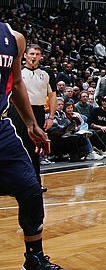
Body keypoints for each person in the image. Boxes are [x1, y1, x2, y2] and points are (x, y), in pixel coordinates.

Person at [0, 22, 74, 270]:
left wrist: (32, 123)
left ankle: (34, 260)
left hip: (2, 128)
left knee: (31, 188)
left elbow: (17, 83)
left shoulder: (14, 38)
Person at [12, 44, 57, 186]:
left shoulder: (47, 74)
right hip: (19, 110)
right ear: (25, 55)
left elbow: (53, 96)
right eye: (31, 54)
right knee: (19, 145)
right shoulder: (17, 71)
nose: (34, 57)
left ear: (41, 57)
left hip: (38, 111)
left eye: (37, 54)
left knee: (36, 147)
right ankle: (18, 182)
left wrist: (50, 117)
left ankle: (35, 182)